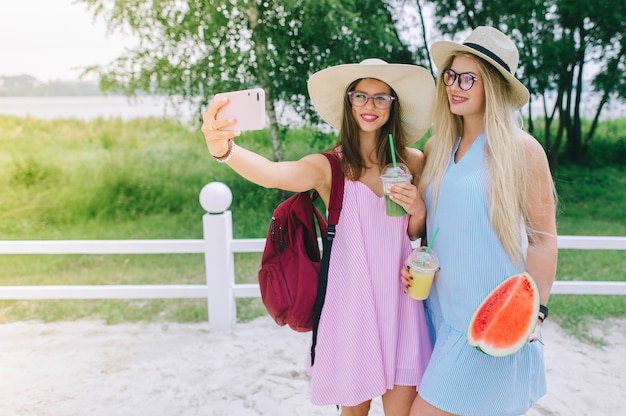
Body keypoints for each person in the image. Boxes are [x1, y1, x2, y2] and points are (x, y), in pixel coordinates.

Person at [202, 58, 436, 416]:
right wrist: (225, 149)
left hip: (402, 304)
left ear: (393, 106)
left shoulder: (412, 163)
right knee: (354, 412)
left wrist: (417, 209)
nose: (370, 106)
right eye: (361, 96)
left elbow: (416, 232)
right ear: (349, 102)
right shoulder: (330, 167)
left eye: (380, 98)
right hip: (352, 308)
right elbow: (274, 174)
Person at [400, 26, 558, 416]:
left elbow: (542, 241)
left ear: (494, 86)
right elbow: (432, 226)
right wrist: (416, 258)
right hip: (438, 312)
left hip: (490, 317)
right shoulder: (437, 147)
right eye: (451, 75)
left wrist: (534, 312)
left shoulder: (522, 151)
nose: (456, 85)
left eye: (469, 78)